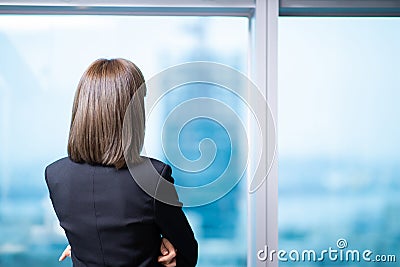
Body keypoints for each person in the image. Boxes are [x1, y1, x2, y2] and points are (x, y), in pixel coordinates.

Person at [45, 58, 198, 267]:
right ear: (133, 115)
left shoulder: (55, 175)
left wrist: (81, 248)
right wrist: (162, 248)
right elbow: (188, 254)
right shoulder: (152, 176)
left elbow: (94, 232)